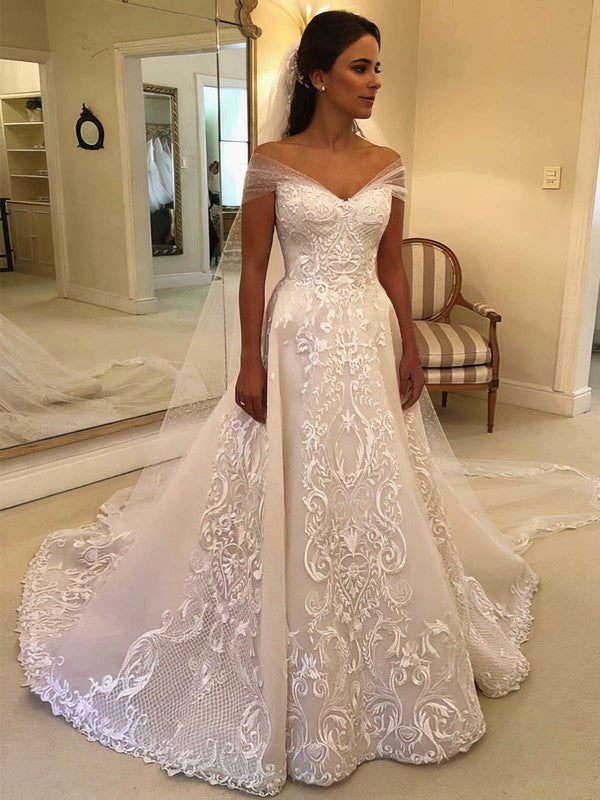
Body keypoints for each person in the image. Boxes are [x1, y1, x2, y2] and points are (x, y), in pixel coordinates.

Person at [16, 10, 600, 797]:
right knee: (293, 478)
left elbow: (393, 268)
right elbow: (254, 270)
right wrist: (250, 359)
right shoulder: (271, 163)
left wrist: (408, 345)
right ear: (319, 76)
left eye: (379, 66)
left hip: (367, 332)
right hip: (296, 339)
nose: (376, 81)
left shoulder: (389, 163)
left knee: (377, 480)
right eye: (361, 67)